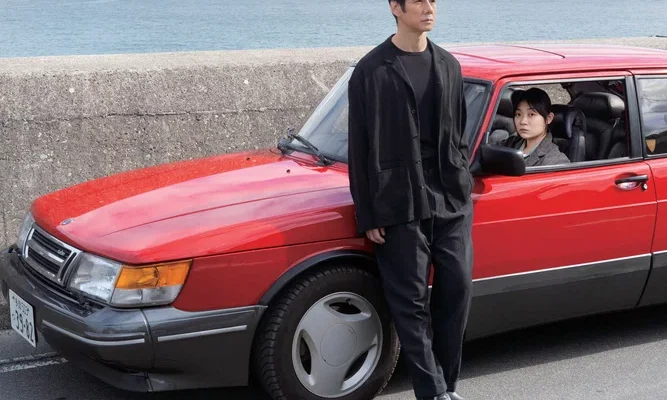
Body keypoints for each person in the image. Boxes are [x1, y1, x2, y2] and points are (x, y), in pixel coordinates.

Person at [347, 1, 473, 399]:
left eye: (433, 0)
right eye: (418, 1)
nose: (428, 8)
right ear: (395, 8)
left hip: (450, 199)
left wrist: (463, 181)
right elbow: (359, 148)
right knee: (411, 302)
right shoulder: (371, 70)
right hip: (398, 201)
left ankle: (446, 386)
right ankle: (433, 392)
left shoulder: (449, 65)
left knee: (457, 288)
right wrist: (368, 212)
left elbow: (459, 134)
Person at [501, 88, 570, 166]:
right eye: (518, 114)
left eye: (531, 114)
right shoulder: (511, 143)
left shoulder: (555, 161)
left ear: (548, 118)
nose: (523, 121)